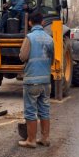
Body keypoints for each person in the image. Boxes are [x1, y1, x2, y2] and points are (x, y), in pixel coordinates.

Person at [18, 12, 54, 147]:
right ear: (43, 23)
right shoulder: (49, 38)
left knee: (30, 110)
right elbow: (51, 58)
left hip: (32, 80)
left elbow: (23, 56)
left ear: (30, 23)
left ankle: (31, 140)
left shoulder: (30, 37)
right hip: (45, 81)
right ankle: (45, 138)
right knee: (44, 109)